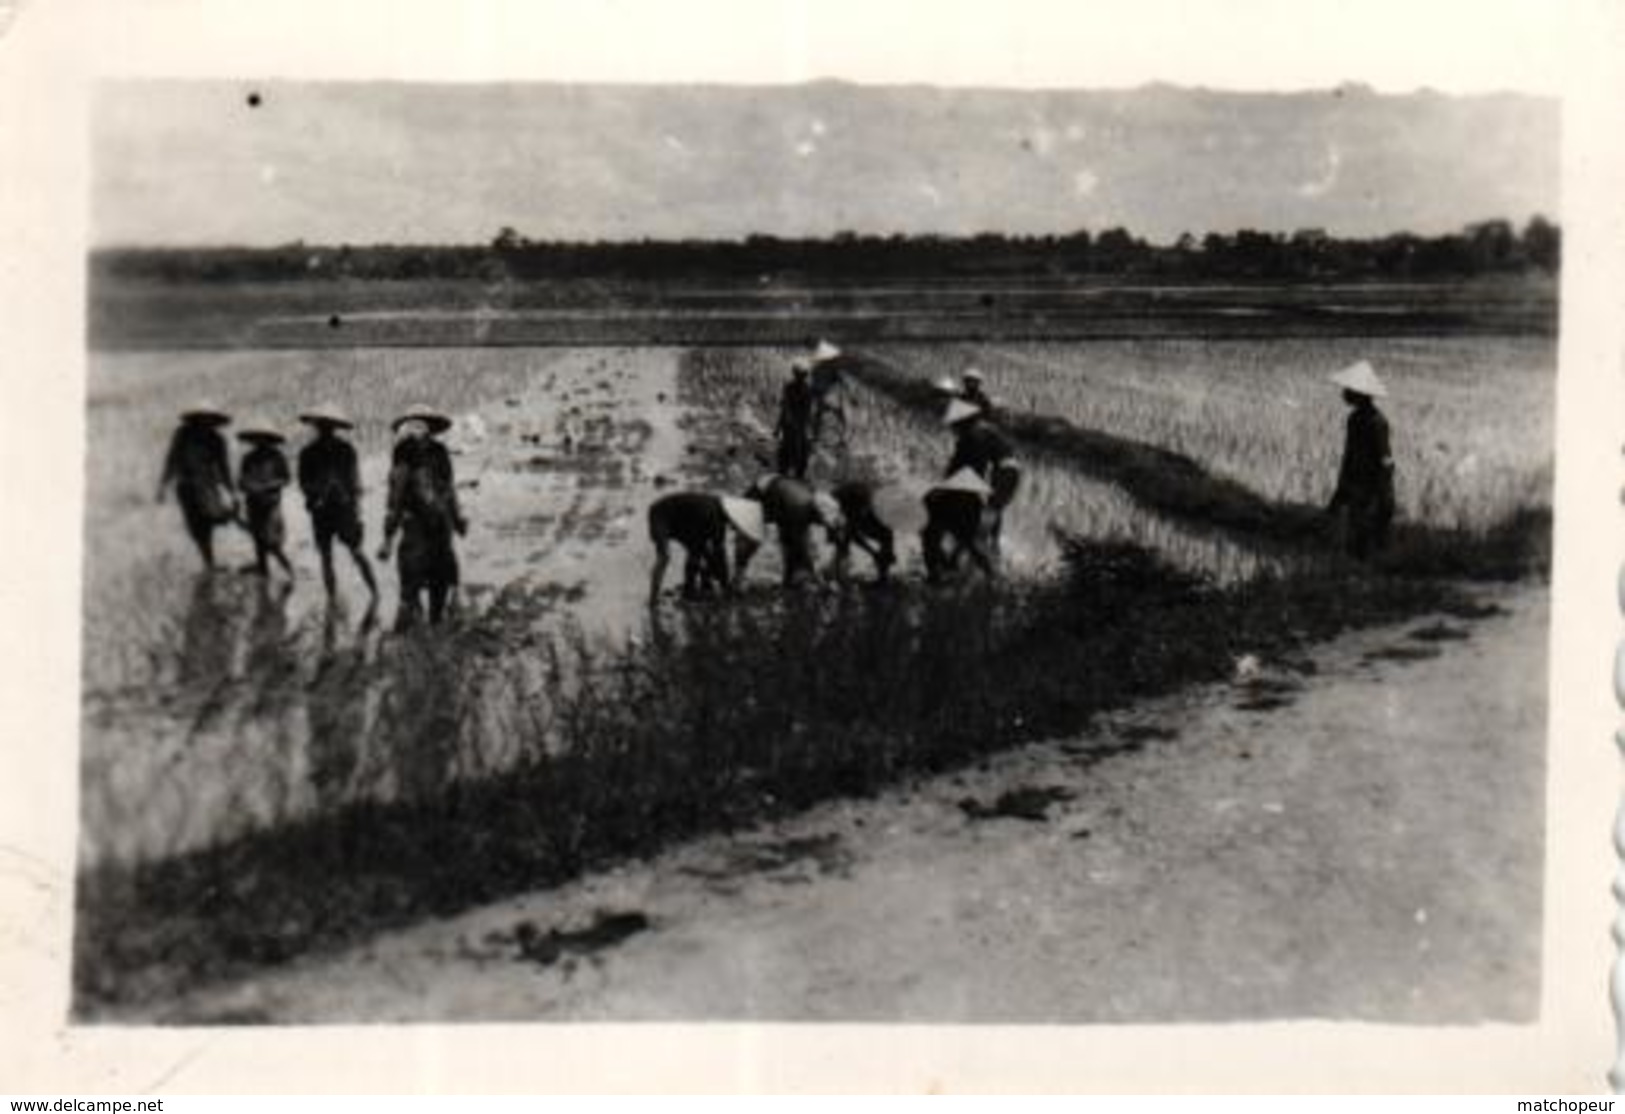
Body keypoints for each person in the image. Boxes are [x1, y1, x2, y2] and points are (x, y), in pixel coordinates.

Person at [379, 404, 466, 629]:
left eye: (421, 426)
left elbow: (447, 487)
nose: (417, 430)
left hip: (432, 520)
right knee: (424, 574)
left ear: (427, 429)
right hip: (424, 520)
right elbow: (398, 491)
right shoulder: (406, 451)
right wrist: (389, 533)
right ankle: (423, 620)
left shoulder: (434, 451)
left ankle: (425, 620)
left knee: (426, 574)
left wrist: (457, 517)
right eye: (414, 425)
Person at [297, 403, 378, 603]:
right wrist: (320, 492)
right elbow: (304, 483)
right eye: (322, 425)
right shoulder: (308, 453)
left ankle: (374, 593)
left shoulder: (345, 450)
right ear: (317, 426)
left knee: (354, 552)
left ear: (333, 427)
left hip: (342, 509)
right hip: (323, 510)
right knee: (329, 556)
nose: (325, 429)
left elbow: (355, 481)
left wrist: (355, 507)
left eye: (328, 426)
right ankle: (334, 598)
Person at [1326, 360, 1397, 560]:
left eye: (1349, 389)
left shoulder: (1377, 423)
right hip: (1358, 492)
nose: (1345, 392)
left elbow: (1386, 462)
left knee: (1370, 549)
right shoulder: (1354, 419)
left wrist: (1382, 499)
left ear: (1361, 393)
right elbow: (1348, 458)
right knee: (1356, 548)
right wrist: (1340, 494)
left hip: (1372, 494)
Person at [156, 401, 236, 570]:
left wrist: (231, 491)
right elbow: (171, 460)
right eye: (202, 418)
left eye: (209, 419)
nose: (205, 422)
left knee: (211, 519)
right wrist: (163, 485)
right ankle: (209, 561)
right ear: (196, 418)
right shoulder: (182, 435)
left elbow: (224, 468)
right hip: (187, 485)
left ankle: (209, 560)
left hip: (208, 485)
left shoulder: (217, 440)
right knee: (195, 525)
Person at [647, 490, 763, 604]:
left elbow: (714, 550)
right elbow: (719, 553)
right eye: (735, 525)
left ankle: (691, 589)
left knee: (697, 550)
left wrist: (720, 578)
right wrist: (725, 584)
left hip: (682, 519)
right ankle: (653, 599)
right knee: (664, 556)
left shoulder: (718, 511)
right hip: (660, 514)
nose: (733, 528)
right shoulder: (714, 516)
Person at [943, 399, 1021, 553]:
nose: (954, 430)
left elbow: (974, 466)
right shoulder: (983, 429)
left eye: (955, 425)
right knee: (994, 508)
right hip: (1008, 471)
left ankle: (982, 552)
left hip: (1004, 472)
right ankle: (992, 547)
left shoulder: (975, 434)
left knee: (988, 514)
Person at [735, 473, 831, 589]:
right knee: (751, 536)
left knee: (793, 542)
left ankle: (792, 578)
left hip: (775, 490)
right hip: (763, 495)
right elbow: (797, 542)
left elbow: (800, 541)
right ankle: (738, 577)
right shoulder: (801, 508)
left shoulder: (808, 500)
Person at [235, 418, 295, 579]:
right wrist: (248, 486)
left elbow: (286, 479)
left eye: (263, 437)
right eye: (256, 438)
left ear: (269, 439)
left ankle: (289, 570)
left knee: (272, 542)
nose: (259, 441)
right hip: (253, 503)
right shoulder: (248, 458)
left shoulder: (276, 457)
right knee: (258, 541)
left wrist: (267, 486)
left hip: (271, 504)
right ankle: (264, 571)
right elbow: (241, 481)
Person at [921, 469, 997, 584]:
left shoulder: (975, 503)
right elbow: (926, 533)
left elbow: (969, 538)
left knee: (966, 546)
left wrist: (987, 569)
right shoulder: (936, 497)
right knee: (931, 544)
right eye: (961, 491)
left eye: (967, 492)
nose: (964, 495)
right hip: (935, 516)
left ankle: (988, 574)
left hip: (956, 521)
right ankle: (935, 574)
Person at [826, 479, 896, 583]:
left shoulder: (879, 516)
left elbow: (887, 535)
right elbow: (852, 534)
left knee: (885, 540)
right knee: (843, 540)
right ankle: (837, 574)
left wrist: (879, 554)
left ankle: (883, 576)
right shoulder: (850, 510)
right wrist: (872, 552)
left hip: (872, 519)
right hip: (857, 508)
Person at [775, 360, 816, 480]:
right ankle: (788, 474)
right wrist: (779, 427)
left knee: (798, 451)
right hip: (793, 425)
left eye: (802, 374)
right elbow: (786, 408)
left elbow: (807, 411)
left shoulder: (803, 390)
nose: (800, 377)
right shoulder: (791, 388)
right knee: (790, 451)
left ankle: (795, 475)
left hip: (797, 425)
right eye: (800, 374)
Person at [807, 339, 848, 446]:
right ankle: (841, 437)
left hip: (821, 394)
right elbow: (841, 382)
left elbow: (814, 383)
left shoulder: (817, 369)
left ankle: (815, 436)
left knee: (818, 415)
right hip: (826, 395)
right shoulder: (831, 370)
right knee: (839, 415)